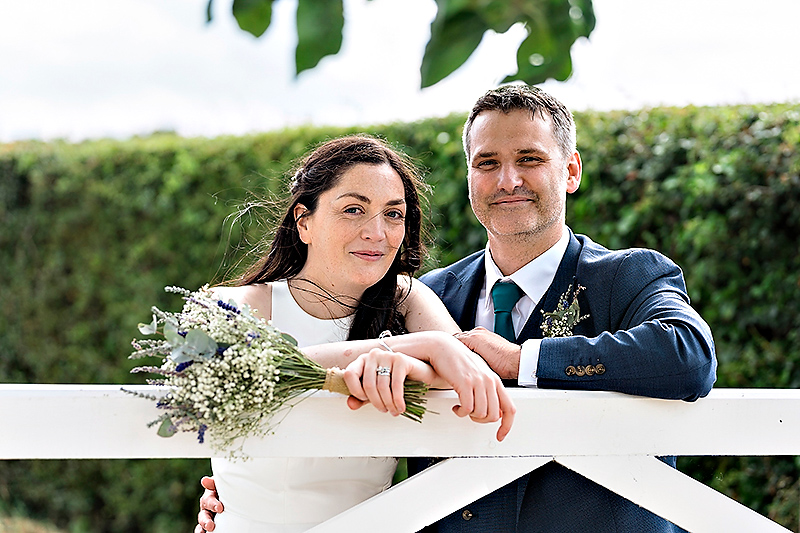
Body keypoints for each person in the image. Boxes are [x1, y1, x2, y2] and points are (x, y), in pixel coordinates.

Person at [197, 85, 717, 532]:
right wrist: (244, 492)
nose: (507, 180)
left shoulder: (627, 275)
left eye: (529, 160)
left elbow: (688, 357)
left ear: (571, 170)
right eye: (486, 163)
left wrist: (522, 361)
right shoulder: (425, 295)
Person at [199, 134, 515, 532]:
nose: (377, 232)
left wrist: (416, 364)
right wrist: (421, 347)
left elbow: (466, 376)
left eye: (393, 214)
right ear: (304, 221)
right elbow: (211, 373)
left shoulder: (408, 299)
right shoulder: (238, 304)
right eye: (353, 209)